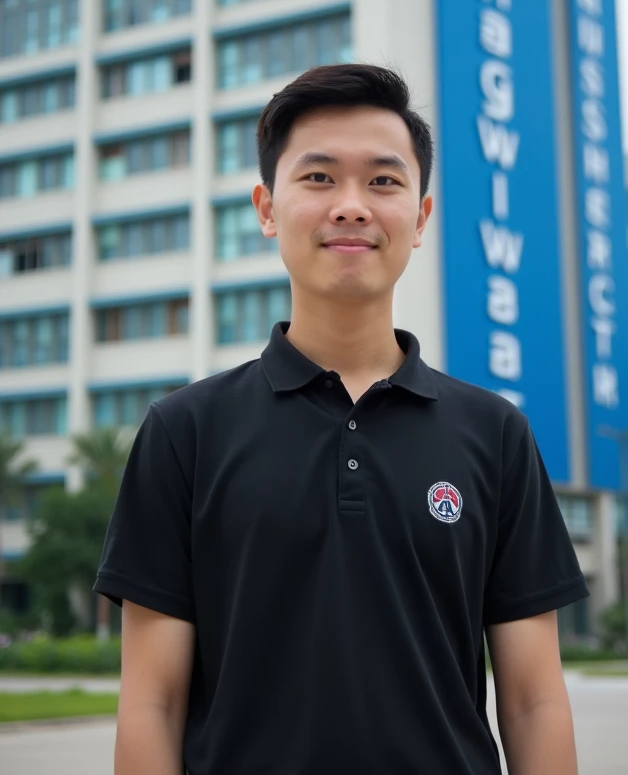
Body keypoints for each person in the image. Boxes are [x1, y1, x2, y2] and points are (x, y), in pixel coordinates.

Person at [95, 63, 588, 774]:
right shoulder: (185, 431)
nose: (352, 206)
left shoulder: (495, 435)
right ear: (267, 209)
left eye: (384, 181)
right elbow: (152, 702)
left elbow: (534, 698)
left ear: (419, 219)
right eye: (319, 178)